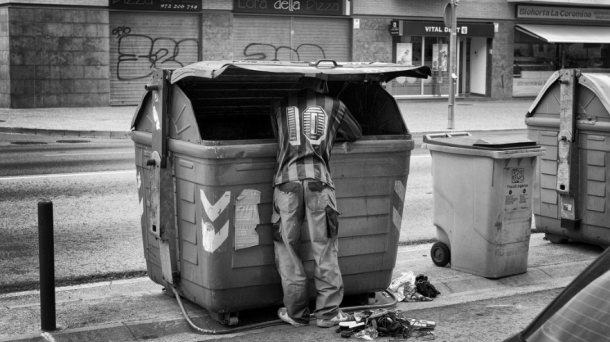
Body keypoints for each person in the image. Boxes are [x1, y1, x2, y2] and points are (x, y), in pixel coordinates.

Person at [269, 77, 362, 328]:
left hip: (285, 183)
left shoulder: (279, 105)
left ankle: (297, 314)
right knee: (324, 247)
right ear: (323, 83)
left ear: (299, 81)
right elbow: (355, 133)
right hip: (319, 183)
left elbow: (280, 137)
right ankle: (328, 314)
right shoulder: (336, 105)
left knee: (287, 249)